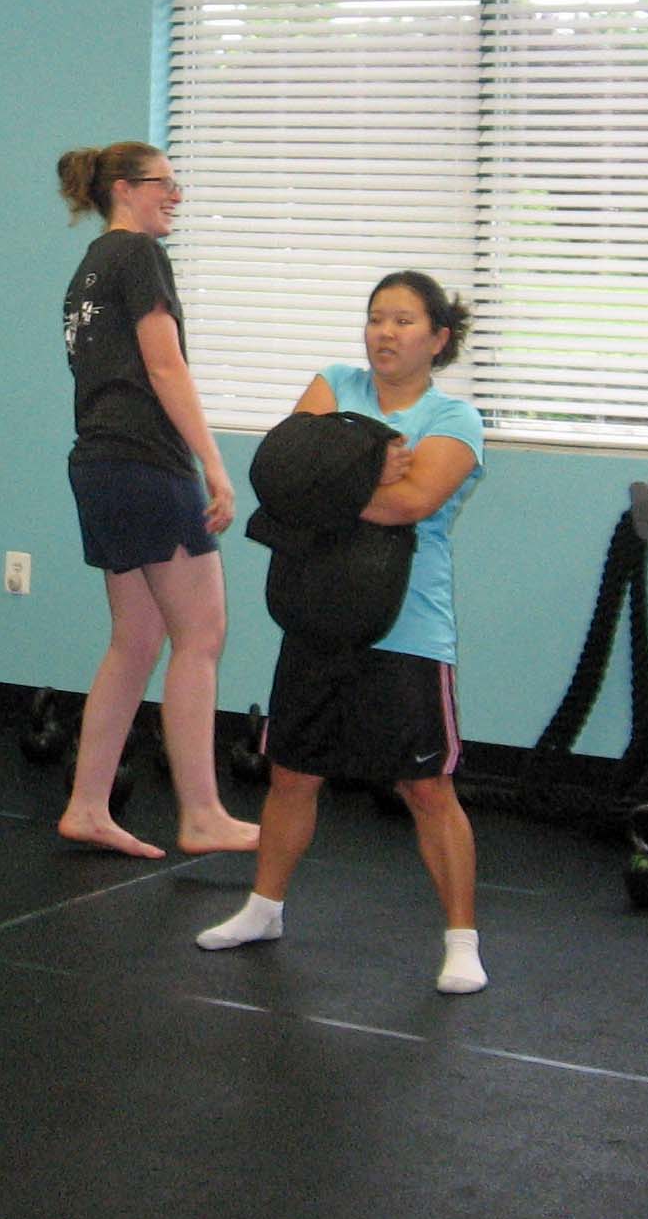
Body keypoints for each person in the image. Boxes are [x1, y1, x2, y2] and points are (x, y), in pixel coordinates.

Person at [196, 273, 488, 994]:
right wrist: (368, 465)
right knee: (292, 773)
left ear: (438, 338)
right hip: (318, 610)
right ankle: (264, 908)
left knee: (425, 787)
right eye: (375, 318)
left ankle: (462, 941)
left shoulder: (456, 419)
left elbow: (411, 503)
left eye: (403, 321)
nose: (384, 333)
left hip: (408, 629)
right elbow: (283, 476)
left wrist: (337, 472)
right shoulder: (332, 383)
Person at [55, 141, 256, 859]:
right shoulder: (136, 256)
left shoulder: (88, 269)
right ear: (122, 189)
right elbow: (164, 365)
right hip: (144, 463)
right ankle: (201, 811)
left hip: (101, 465)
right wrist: (215, 466)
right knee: (200, 635)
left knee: (137, 639)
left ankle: (86, 805)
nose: (175, 196)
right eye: (163, 184)